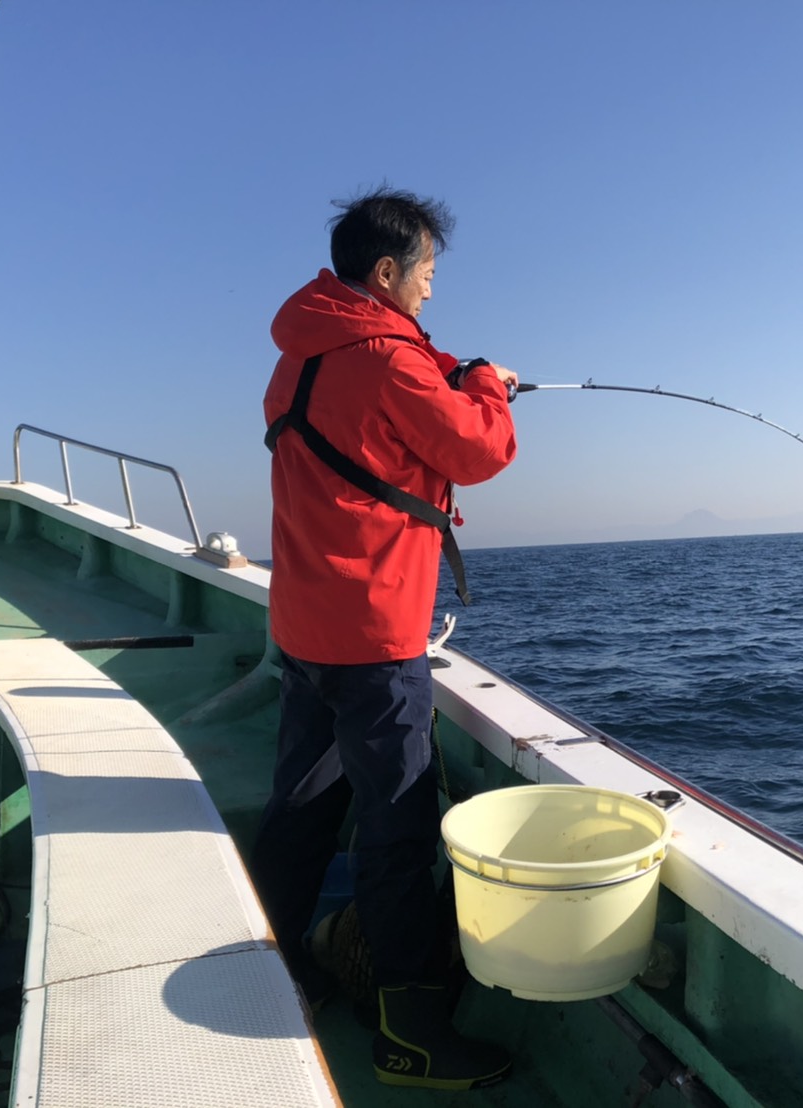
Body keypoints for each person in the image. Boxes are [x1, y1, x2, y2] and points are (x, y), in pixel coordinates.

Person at [251, 188, 518, 1091]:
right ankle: (410, 1031)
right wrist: (485, 385)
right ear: (386, 273)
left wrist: (449, 368)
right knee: (397, 833)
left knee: (300, 814)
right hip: (375, 639)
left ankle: (277, 970)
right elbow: (477, 451)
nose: (433, 295)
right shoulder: (391, 365)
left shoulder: (299, 358)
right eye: (428, 277)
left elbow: (385, 394)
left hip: (305, 631)